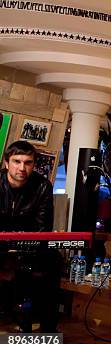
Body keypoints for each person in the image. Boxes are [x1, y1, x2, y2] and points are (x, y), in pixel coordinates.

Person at [0, 140, 60, 332]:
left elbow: (43, 229)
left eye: (28, 162)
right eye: (17, 161)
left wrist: (19, 239)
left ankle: (48, 329)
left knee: (54, 260)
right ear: (7, 163)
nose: (22, 168)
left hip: (29, 247)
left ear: (34, 164)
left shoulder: (42, 186)